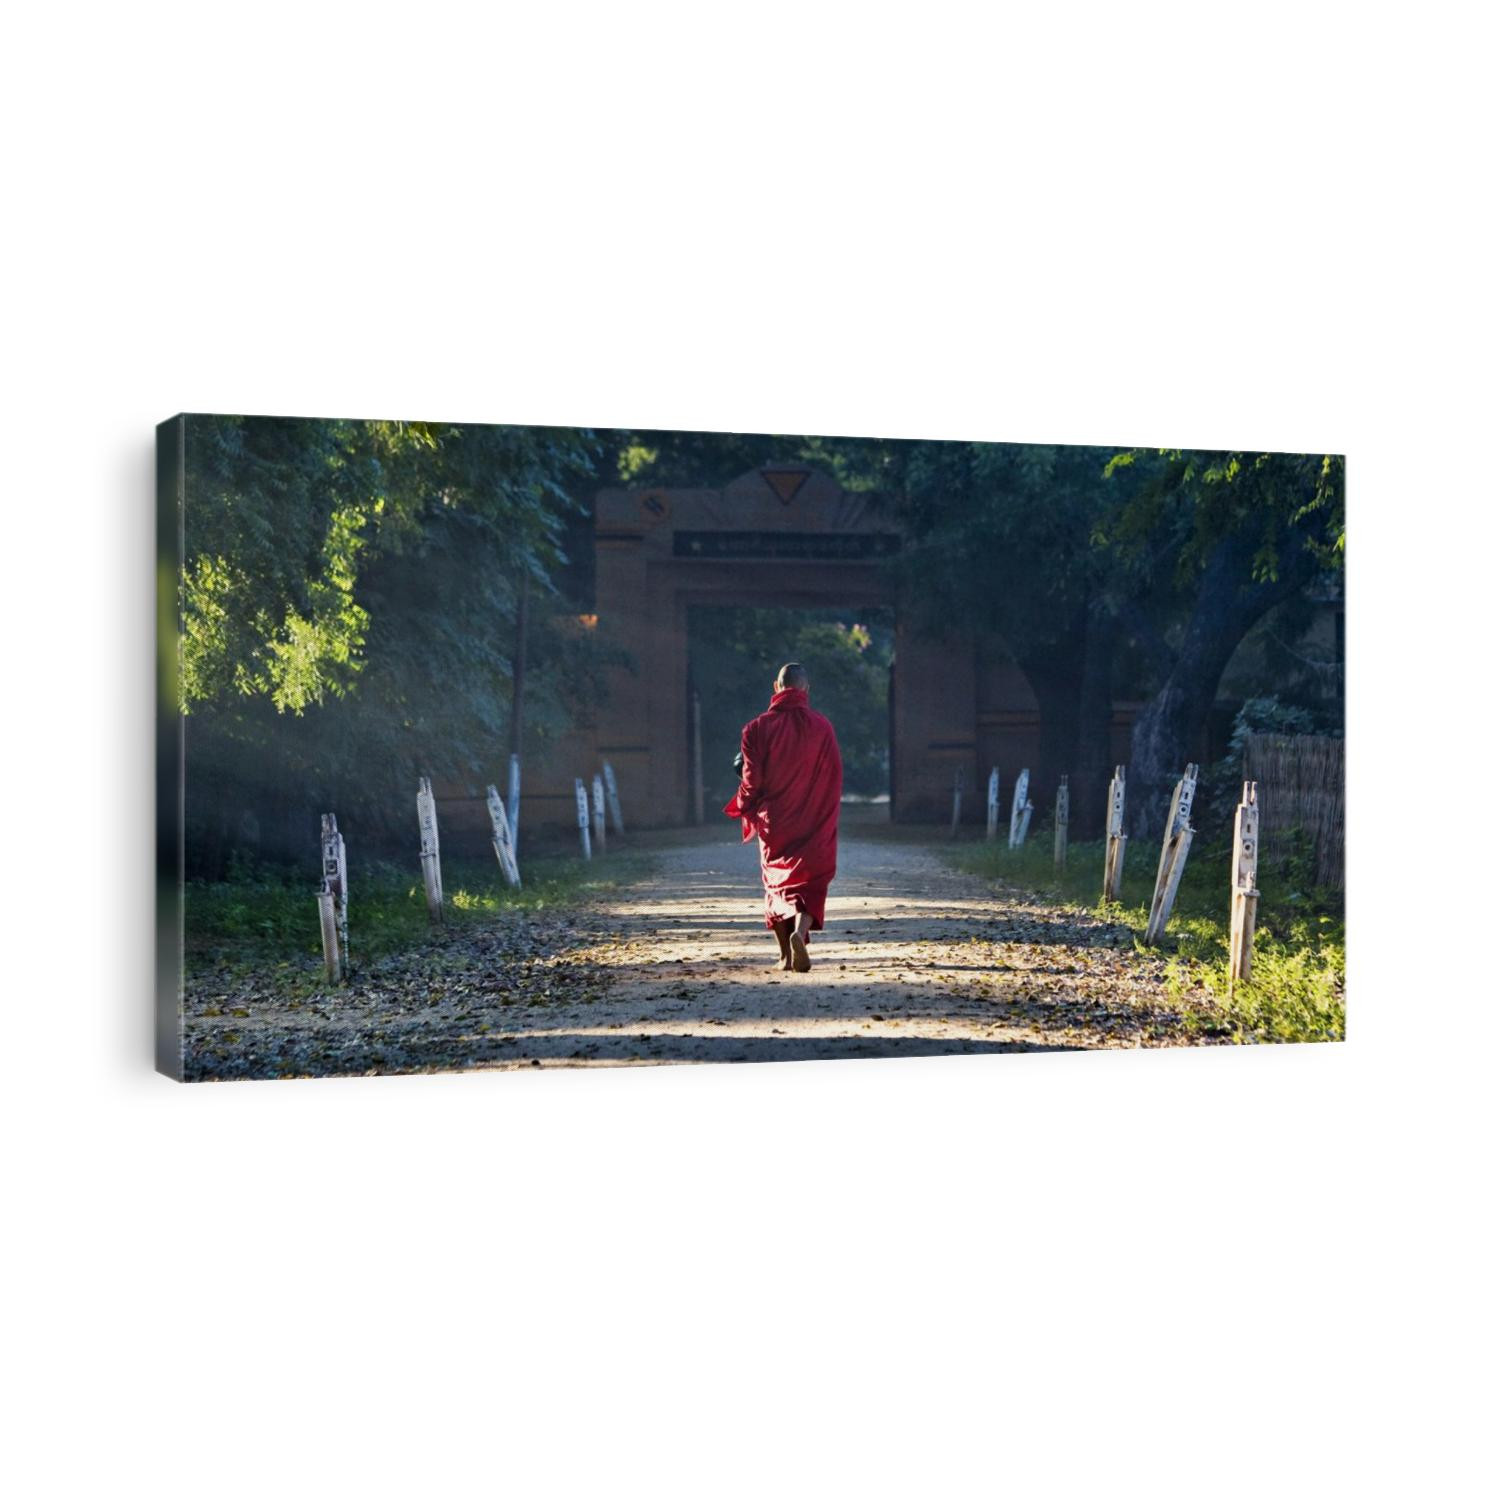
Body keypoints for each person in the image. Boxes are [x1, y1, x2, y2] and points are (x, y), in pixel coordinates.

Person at [723, 662, 843, 972]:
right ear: (806, 689)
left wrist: (741, 804)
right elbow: (834, 775)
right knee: (810, 883)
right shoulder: (823, 727)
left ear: (776, 687)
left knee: (777, 884)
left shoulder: (755, 729)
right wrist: (827, 811)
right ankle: (800, 935)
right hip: (814, 818)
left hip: (775, 820)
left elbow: (751, 782)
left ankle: (784, 956)